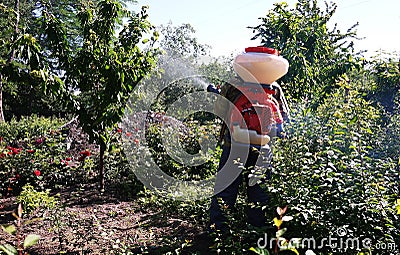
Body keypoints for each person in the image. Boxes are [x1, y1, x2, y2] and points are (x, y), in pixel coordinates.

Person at [207, 46, 290, 232]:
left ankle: (218, 230)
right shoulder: (274, 88)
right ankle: (257, 229)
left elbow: (220, 111)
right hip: (263, 147)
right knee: (258, 189)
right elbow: (284, 118)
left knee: (226, 188)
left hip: (234, 145)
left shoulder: (233, 84)